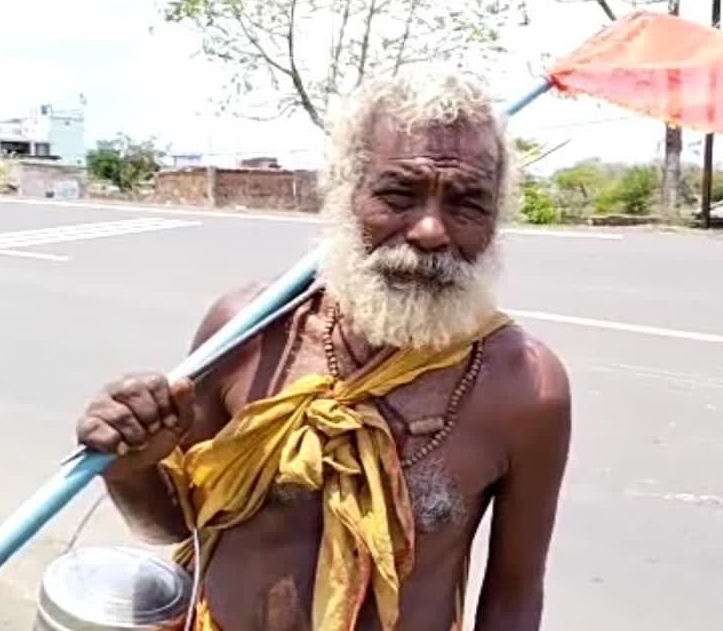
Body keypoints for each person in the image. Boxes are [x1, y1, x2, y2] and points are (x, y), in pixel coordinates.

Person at [75, 71, 572, 631]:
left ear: (495, 222)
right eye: (398, 195)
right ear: (346, 191)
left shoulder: (529, 389)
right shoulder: (248, 331)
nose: (430, 230)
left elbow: (514, 597)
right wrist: (131, 466)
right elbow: (173, 522)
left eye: (467, 203)